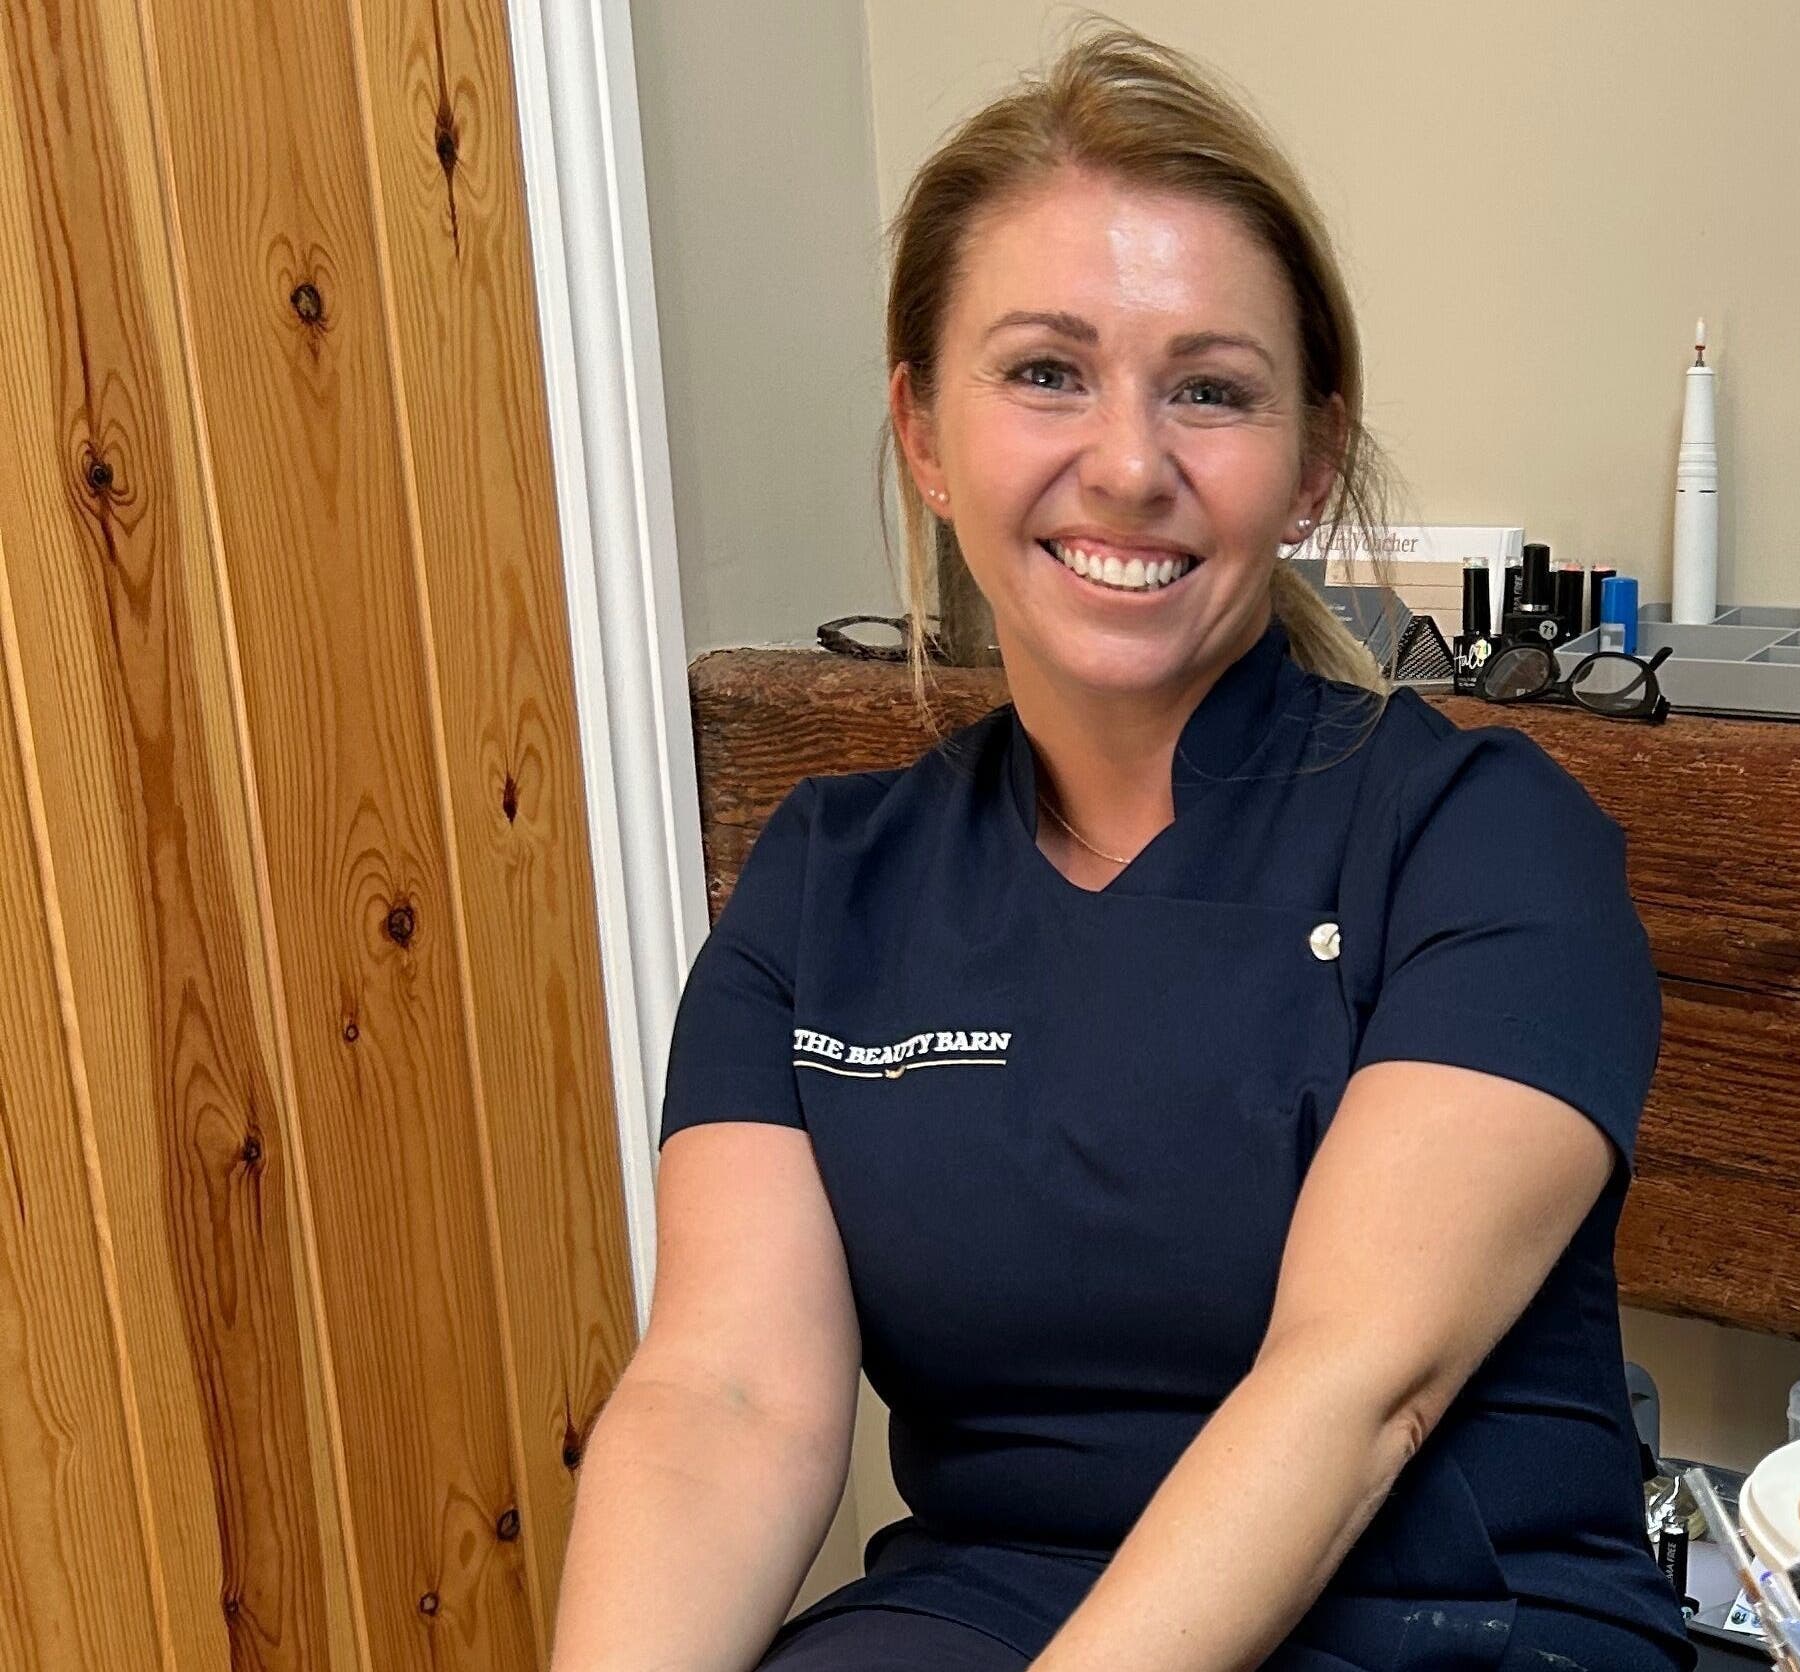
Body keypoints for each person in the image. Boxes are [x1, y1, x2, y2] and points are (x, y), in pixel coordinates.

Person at [548, 25, 1689, 1672]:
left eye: (1211, 392)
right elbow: (725, 1397)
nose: (1132, 464)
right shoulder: (828, 885)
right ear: (926, 435)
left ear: (1310, 468)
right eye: (1045, 371)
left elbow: (1359, 1384)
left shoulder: (1481, 841)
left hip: (1442, 1616)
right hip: (980, 1610)